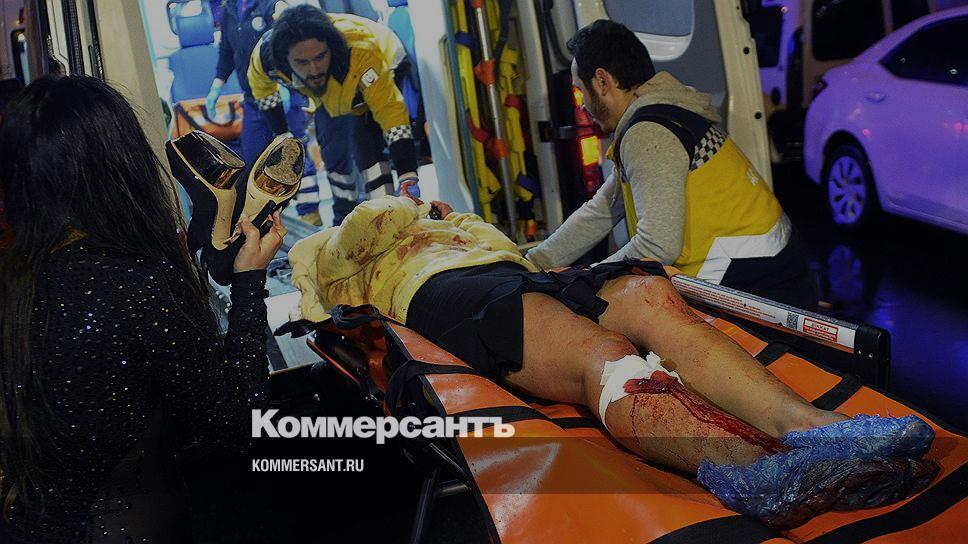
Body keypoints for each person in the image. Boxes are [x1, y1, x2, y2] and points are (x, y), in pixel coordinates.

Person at [288, 193, 937, 530]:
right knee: (603, 354)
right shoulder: (343, 247)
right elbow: (350, 245)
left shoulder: (454, 225)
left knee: (650, 297)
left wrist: (457, 222)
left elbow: (515, 252)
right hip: (442, 293)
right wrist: (409, 210)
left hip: (510, 272)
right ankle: (757, 472)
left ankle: (813, 430)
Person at [0, 75, 285, 542]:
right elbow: (238, 423)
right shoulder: (133, 281)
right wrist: (250, 283)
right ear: (120, 164)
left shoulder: (18, 278)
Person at [527, 20, 817, 309]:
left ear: (603, 81)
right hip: (773, 274)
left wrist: (586, 280)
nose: (581, 105)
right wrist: (533, 263)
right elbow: (602, 210)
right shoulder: (663, 116)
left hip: (756, 289)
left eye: (580, 90)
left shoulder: (649, 133)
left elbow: (656, 246)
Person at [247, 4, 421, 227]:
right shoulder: (265, 58)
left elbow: (391, 114)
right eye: (302, 62)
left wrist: (408, 174)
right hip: (331, 86)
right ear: (284, 60)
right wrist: (282, 132)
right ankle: (344, 217)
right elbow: (262, 90)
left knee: (365, 135)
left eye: (320, 56)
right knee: (332, 144)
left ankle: (386, 214)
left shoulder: (361, 52)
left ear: (330, 48)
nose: (313, 70)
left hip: (384, 60)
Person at [206, 0, 322, 225]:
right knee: (253, 160)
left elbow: (287, 43)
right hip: (253, 100)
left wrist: (283, 86)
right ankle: (262, 222)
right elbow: (227, 51)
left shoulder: (270, 4)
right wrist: (217, 85)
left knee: (295, 157)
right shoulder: (229, 9)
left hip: (284, 93)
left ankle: (311, 216)